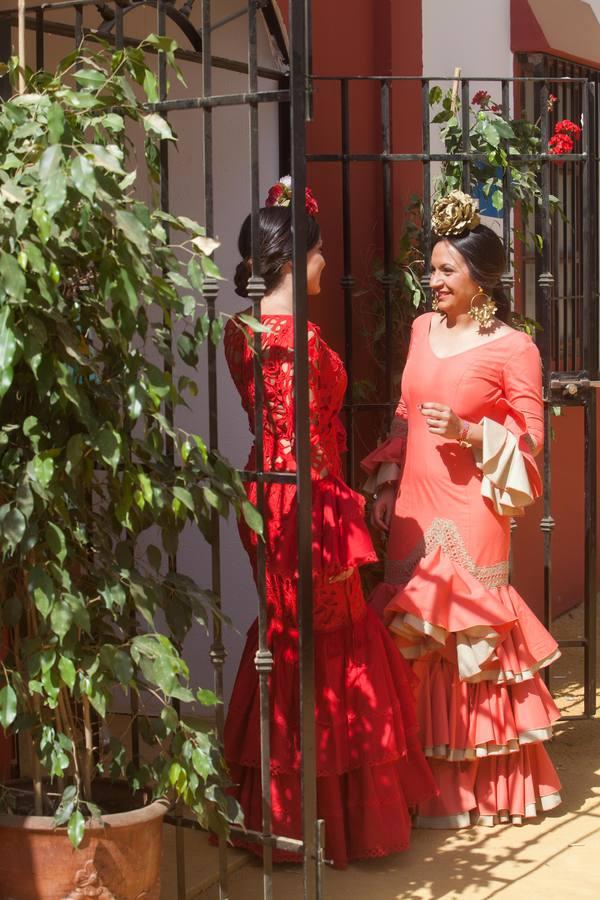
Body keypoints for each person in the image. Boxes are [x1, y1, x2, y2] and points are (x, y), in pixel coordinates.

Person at [222, 178, 437, 868]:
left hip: (267, 493)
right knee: (331, 639)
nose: (324, 264)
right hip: (306, 501)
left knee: (289, 638)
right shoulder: (300, 341)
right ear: (292, 258)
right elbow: (306, 439)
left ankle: (288, 814)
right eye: (317, 253)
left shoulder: (240, 330)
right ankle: (332, 818)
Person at [363, 190, 562, 827]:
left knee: (470, 648)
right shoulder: (421, 330)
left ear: (481, 278)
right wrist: (387, 481)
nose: (435, 280)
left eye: (447, 270)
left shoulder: (514, 347)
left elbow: (532, 438)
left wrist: (471, 432)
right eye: (432, 269)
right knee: (412, 641)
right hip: (414, 505)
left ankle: (476, 792)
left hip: (473, 509)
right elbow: (404, 411)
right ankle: (413, 782)